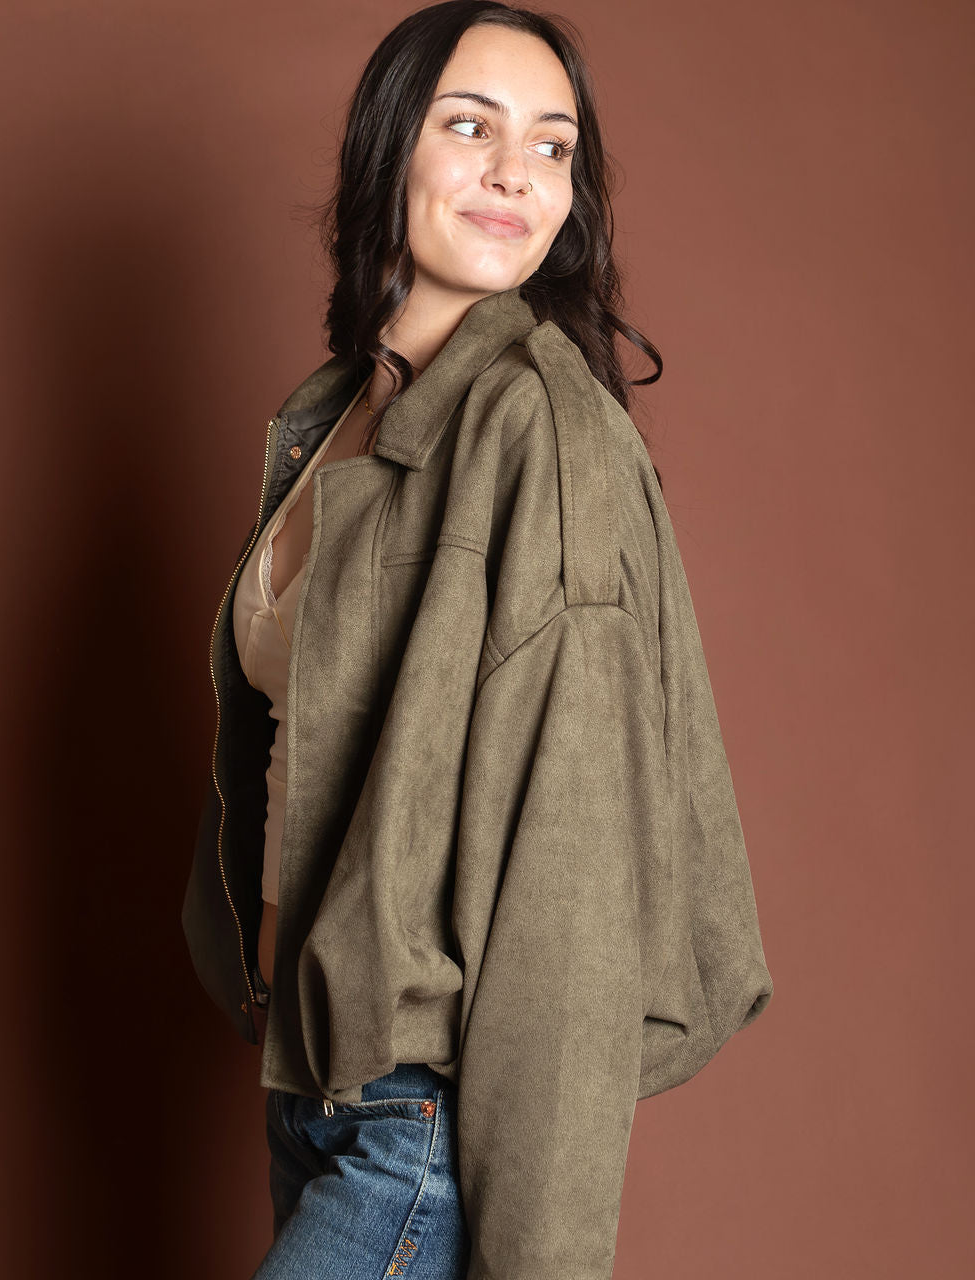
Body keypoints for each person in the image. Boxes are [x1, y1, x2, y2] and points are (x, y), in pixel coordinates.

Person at [181, 3, 774, 1278]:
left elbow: (572, 881)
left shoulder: (541, 430)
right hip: (313, 1079)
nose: (517, 173)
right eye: (471, 127)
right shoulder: (331, 418)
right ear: (387, 147)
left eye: (553, 146)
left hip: (422, 1120)